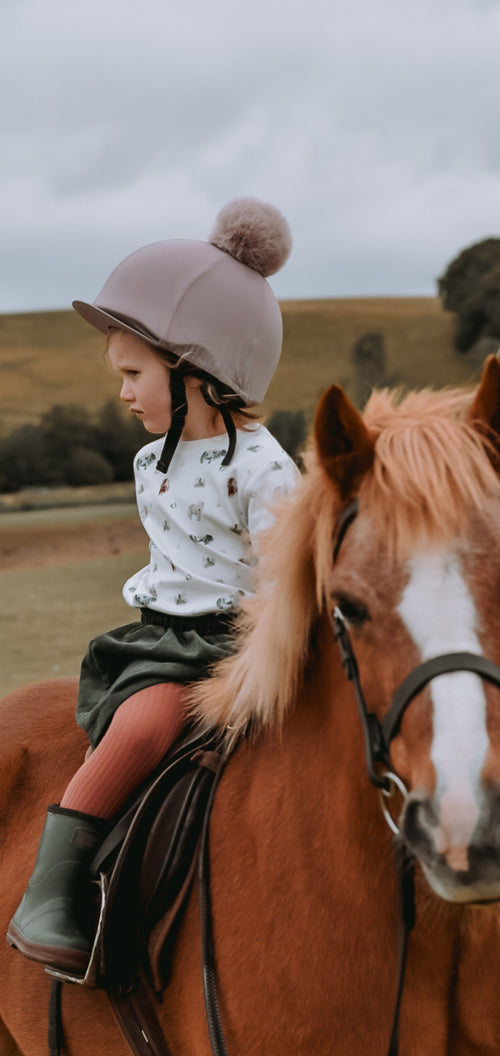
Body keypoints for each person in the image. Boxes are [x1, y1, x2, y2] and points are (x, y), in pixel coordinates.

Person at [7, 196, 300, 974]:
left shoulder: (264, 469)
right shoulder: (150, 462)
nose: (125, 392)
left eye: (135, 373)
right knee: (141, 728)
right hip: (166, 644)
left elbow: (286, 581)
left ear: (198, 368)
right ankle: (53, 888)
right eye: (122, 376)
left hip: (242, 643)